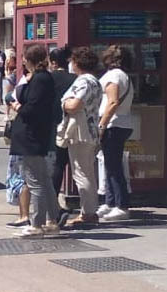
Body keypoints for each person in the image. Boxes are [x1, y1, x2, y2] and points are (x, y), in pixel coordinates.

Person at [9, 44, 58, 238]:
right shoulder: (40, 78)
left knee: (35, 181)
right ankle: (52, 220)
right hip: (36, 135)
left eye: (24, 58)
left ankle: (37, 224)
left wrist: (18, 107)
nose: (22, 61)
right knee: (44, 180)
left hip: (31, 136)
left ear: (29, 59)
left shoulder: (40, 80)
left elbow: (33, 107)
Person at [61, 47, 103, 227]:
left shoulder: (84, 81)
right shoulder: (95, 81)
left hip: (81, 131)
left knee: (81, 172)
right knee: (87, 172)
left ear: (77, 63)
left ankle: (88, 213)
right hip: (90, 129)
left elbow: (75, 104)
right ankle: (90, 210)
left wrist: (64, 104)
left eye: (72, 61)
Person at [96, 45, 135, 222]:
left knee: (113, 166)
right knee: (110, 165)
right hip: (121, 122)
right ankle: (110, 202)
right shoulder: (124, 76)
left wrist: (102, 125)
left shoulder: (114, 76)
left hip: (113, 124)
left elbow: (112, 102)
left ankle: (121, 205)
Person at [3, 57, 30, 227]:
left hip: (24, 136)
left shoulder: (27, 81)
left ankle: (25, 215)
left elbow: (9, 97)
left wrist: (15, 106)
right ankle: (51, 214)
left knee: (22, 176)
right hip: (43, 135)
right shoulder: (45, 80)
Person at [48, 47, 76, 202]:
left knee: (56, 165)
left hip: (51, 124)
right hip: (72, 123)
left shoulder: (48, 78)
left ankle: (52, 199)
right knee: (75, 166)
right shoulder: (75, 79)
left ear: (52, 62)